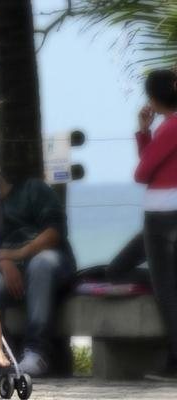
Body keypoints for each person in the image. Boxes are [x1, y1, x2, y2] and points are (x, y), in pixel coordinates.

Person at [0, 176, 76, 376]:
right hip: (8, 269)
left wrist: (18, 254)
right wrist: (3, 262)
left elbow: (54, 232)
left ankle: (36, 351)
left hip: (53, 264)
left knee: (41, 264)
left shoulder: (32, 190)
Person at [134, 69, 177, 379]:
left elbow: (142, 173)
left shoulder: (172, 127)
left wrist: (146, 134)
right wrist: (145, 132)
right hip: (164, 213)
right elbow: (149, 163)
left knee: (167, 291)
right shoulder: (166, 127)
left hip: (162, 215)